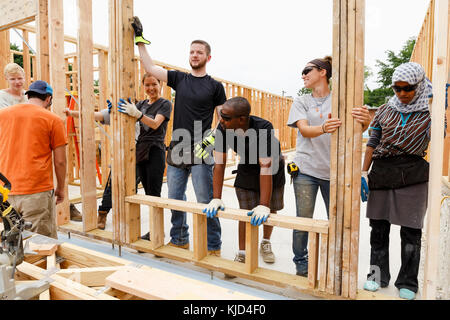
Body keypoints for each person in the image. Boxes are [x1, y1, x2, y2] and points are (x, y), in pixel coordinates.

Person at [131, 17, 226, 255]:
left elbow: (223, 120)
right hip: (176, 148)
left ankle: (213, 246)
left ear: (208, 57)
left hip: (201, 149)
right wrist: (140, 40)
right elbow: (151, 69)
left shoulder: (215, 87)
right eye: (192, 52)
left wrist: (210, 141)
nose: (194, 55)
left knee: (205, 201)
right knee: (174, 198)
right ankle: (179, 238)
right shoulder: (179, 79)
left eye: (199, 52)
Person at [287, 56, 370, 277]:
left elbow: (356, 129)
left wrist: (365, 121)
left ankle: (336, 261)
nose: (303, 75)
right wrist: (323, 127)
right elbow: (304, 130)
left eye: (307, 70)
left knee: (338, 220)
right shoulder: (301, 101)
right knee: (303, 219)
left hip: (335, 172)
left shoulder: (341, 100)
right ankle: (301, 262)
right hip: (306, 169)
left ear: (323, 72)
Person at [361, 62, 432, 300]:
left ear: (419, 85)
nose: (401, 93)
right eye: (397, 88)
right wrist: (363, 172)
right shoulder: (384, 109)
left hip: (413, 172)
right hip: (382, 171)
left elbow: (443, 136)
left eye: (407, 88)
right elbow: (373, 141)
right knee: (378, 228)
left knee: (411, 231)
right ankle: (376, 276)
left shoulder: (430, 111)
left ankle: (408, 282)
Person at [203, 97, 285, 268]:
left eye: (225, 117)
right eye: (220, 115)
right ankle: (243, 253)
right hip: (247, 166)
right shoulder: (222, 128)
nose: (221, 120)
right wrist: (216, 197)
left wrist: (263, 204)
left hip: (272, 168)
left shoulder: (264, 127)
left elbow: (266, 166)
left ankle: (265, 242)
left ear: (240, 119)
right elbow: (219, 164)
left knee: (270, 209)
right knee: (245, 212)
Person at [0, 80, 67, 239]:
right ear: (48, 99)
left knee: (10, 245)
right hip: (36, 192)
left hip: (5, 192)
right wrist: (61, 188)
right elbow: (60, 161)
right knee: (40, 247)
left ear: (28, 95)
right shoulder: (53, 119)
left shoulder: (2, 115)